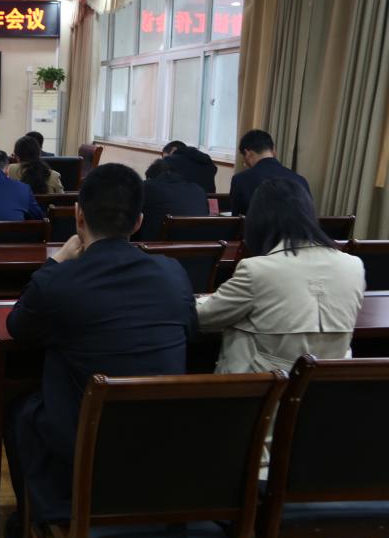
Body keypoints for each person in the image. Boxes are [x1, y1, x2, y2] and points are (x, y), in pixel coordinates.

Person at [2, 163, 195, 538]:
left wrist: (56, 260)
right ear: (138, 222)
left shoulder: (60, 281)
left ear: (78, 216)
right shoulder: (174, 274)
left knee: (21, 409)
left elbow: (17, 326)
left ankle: (36, 521)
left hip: (86, 448)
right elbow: (191, 329)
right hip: (164, 447)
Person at [197, 178, 364, 374]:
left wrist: (198, 301)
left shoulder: (257, 270)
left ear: (258, 220)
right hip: (328, 386)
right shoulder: (354, 266)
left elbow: (205, 318)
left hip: (261, 386)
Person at [229, 129, 311, 215]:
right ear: (273, 151)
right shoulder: (300, 180)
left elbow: (236, 218)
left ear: (248, 153)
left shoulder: (240, 180)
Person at [137, 158, 209, 241]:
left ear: (151, 177)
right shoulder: (198, 189)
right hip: (200, 243)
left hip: (158, 245)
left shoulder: (147, 187)